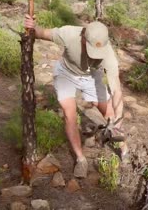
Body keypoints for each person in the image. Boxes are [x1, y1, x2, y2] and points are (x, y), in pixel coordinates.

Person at [24, 14, 125, 178]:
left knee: (110, 114)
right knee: (70, 114)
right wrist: (32, 26)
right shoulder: (69, 34)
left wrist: (119, 119)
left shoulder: (109, 56)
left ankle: (120, 143)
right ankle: (80, 159)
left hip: (91, 76)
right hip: (66, 73)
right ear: (83, 37)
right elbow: (41, 33)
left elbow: (117, 91)